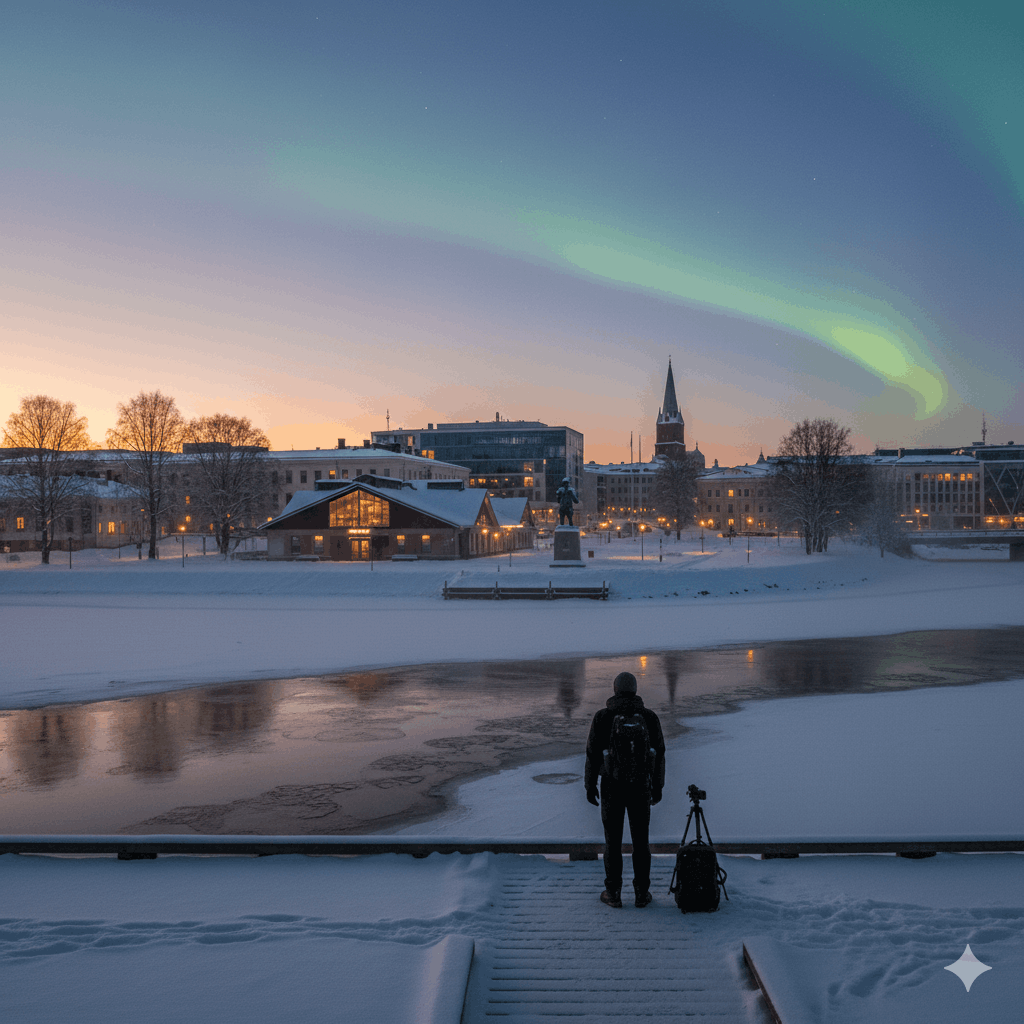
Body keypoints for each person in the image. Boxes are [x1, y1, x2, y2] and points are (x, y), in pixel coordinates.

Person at [585, 671, 665, 908]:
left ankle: (613, 892)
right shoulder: (649, 717)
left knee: (612, 842)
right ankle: (641, 893)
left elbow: (592, 754)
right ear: (635, 689)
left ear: (615, 689)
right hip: (641, 786)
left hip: (612, 786)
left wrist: (590, 785)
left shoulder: (603, 717)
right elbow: (659, 754)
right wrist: (657, 787)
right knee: (641, 841)